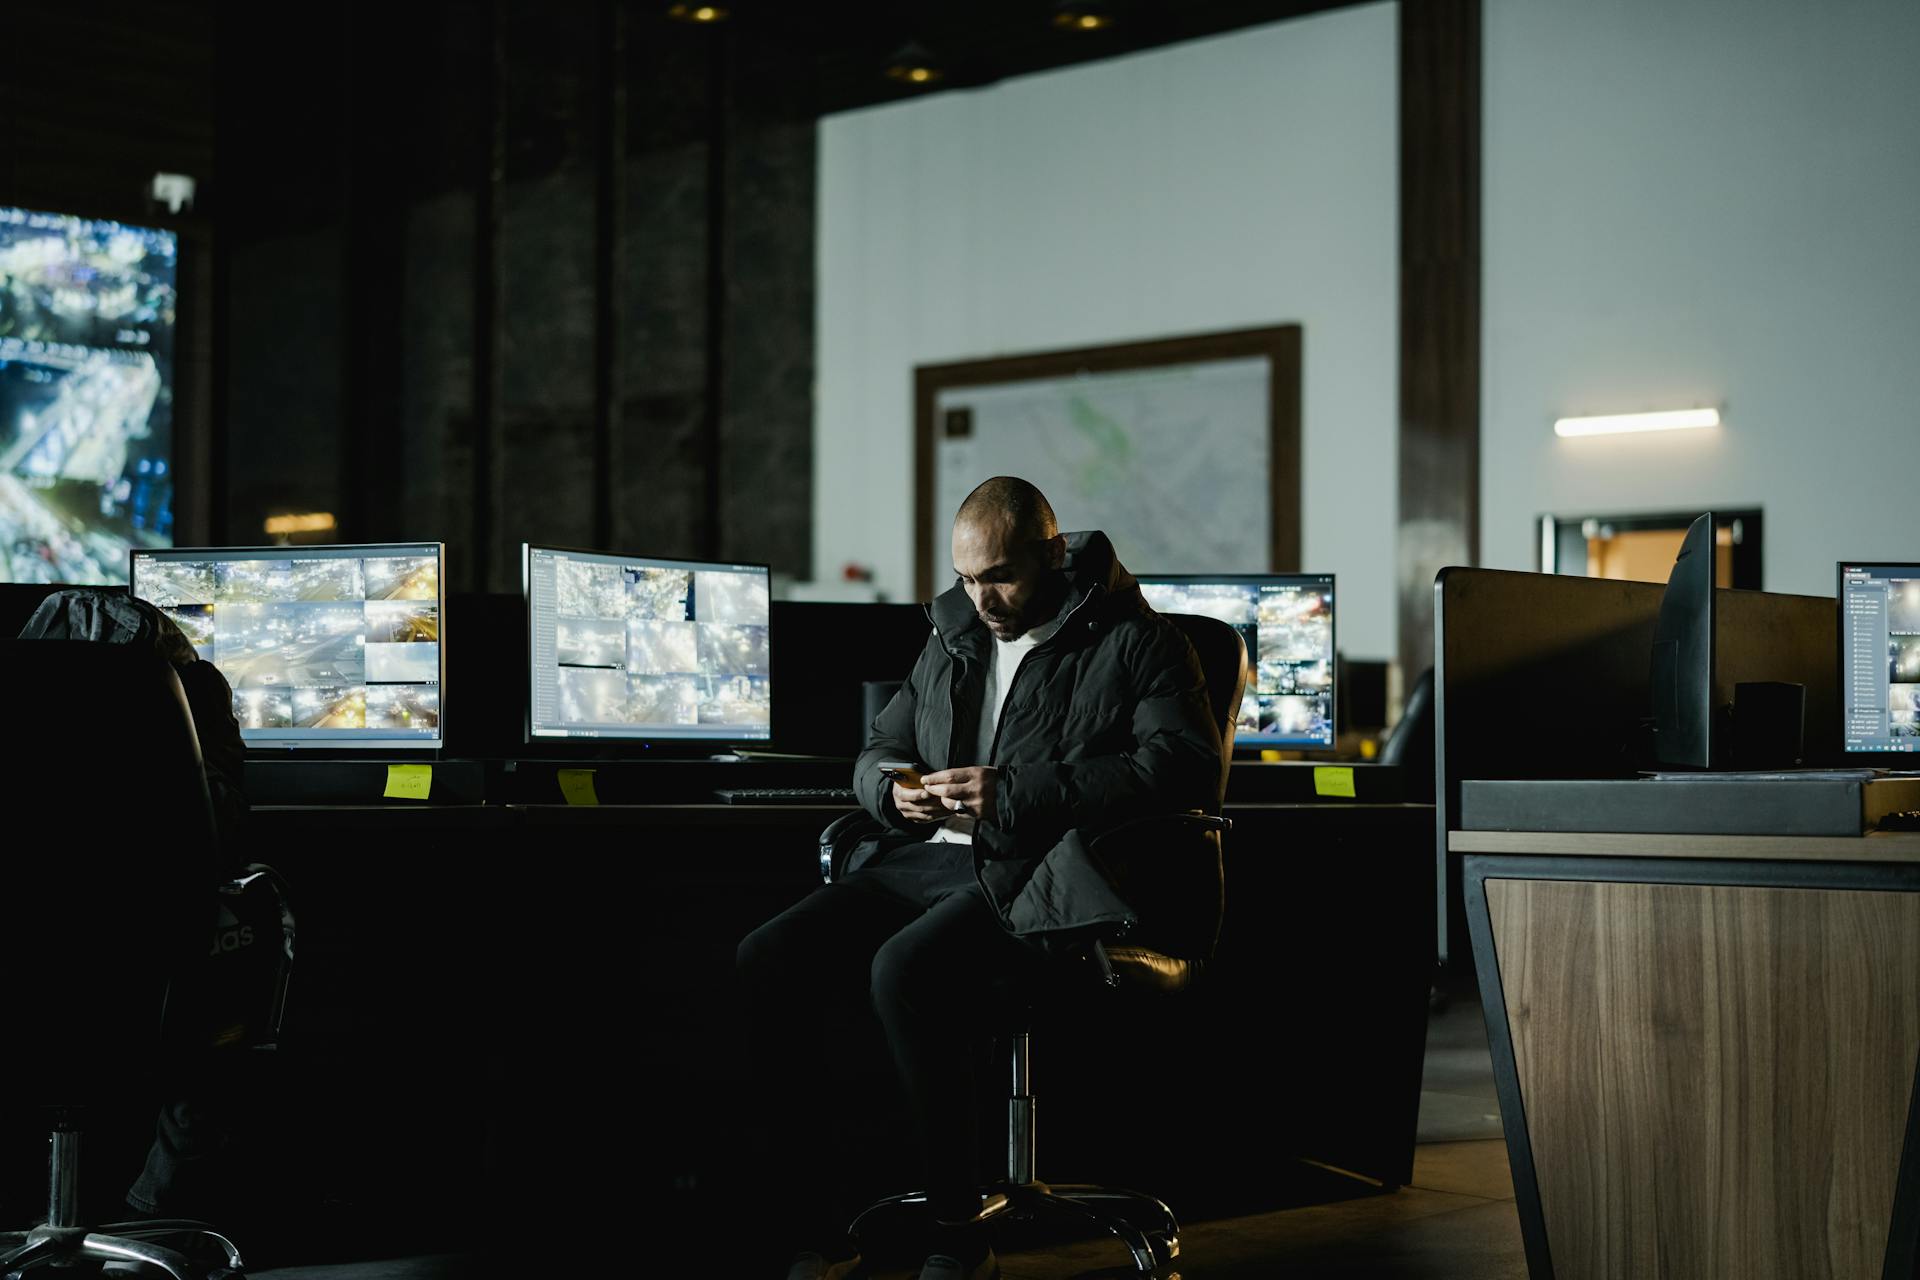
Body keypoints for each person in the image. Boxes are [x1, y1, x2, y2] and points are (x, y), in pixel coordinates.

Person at [736, 477, 1222, 1280]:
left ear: (1052, 554)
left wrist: (1016, 793)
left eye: (999, 575)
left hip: (1051, 870)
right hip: (929, 859)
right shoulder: (953, 635)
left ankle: (958, 1235)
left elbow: (1185, 772)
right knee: (767, 956)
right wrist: (891, 788)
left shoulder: (1141, 644)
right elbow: (877, 747)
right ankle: (811, 1227)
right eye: (966, 577)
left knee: (906, 970)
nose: (983, 596)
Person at [16, 588, 254, 1222]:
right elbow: (224, 837)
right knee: (241, 936)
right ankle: (162, 1206)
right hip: (136, 1007)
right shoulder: (175, 752)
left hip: (18, 1001)